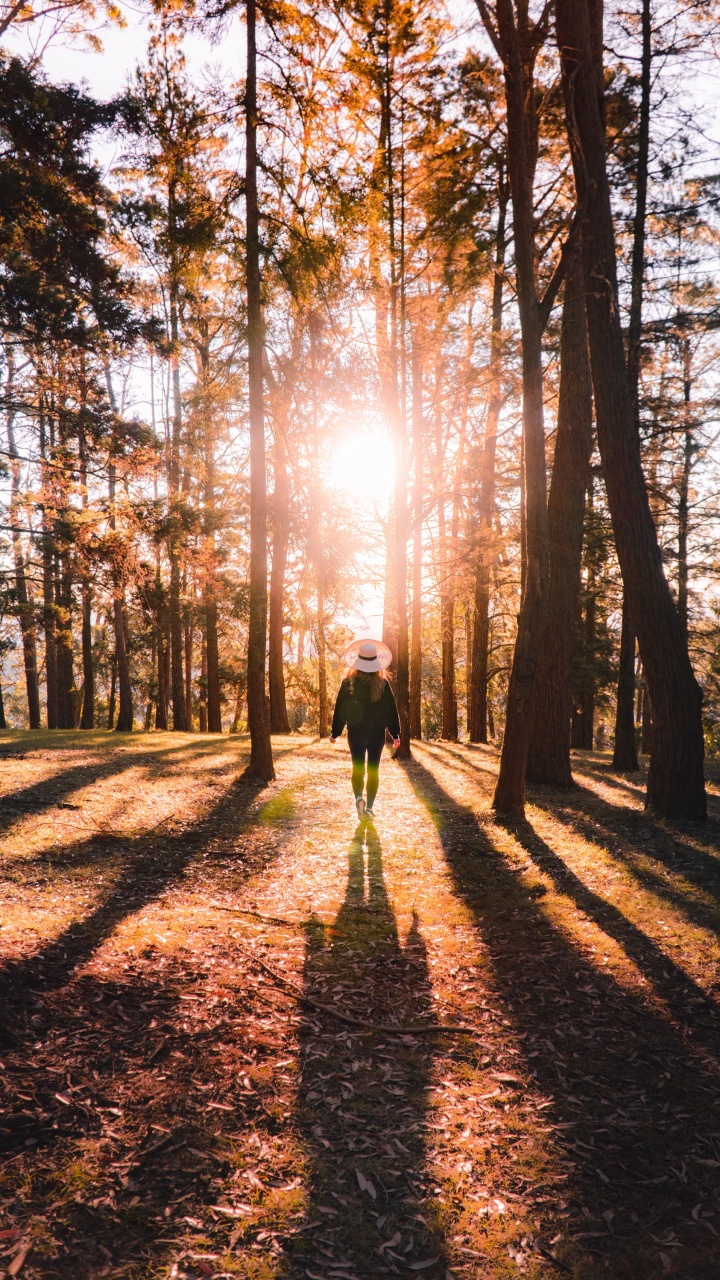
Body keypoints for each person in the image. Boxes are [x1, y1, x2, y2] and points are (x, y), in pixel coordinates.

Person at [330, 639, 400, 821]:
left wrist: (335, 732)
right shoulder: (383, 684)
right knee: (373, 769)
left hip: (356, 731)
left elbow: (340, 709)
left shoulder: (348, 683)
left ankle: (359, 798)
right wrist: (395, 734)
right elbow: (391, 710)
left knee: (358, 767)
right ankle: (369, 808)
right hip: (376, 732)